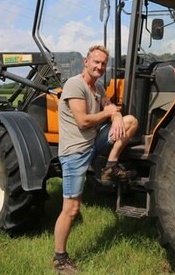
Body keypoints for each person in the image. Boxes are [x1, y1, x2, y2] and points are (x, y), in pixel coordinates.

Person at [52, 44, 138, 274]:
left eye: (103, 64)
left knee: (130, 121)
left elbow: (111, 107)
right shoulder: (74, 85)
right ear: (86, 62)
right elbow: (83, 121)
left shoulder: (98, 87)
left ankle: (110, 166)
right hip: (74, 154)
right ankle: (60, 258)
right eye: (96, 62)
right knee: (71, 208)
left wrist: (117, 115)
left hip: (93, 144)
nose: (99, 67)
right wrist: (109, 113)